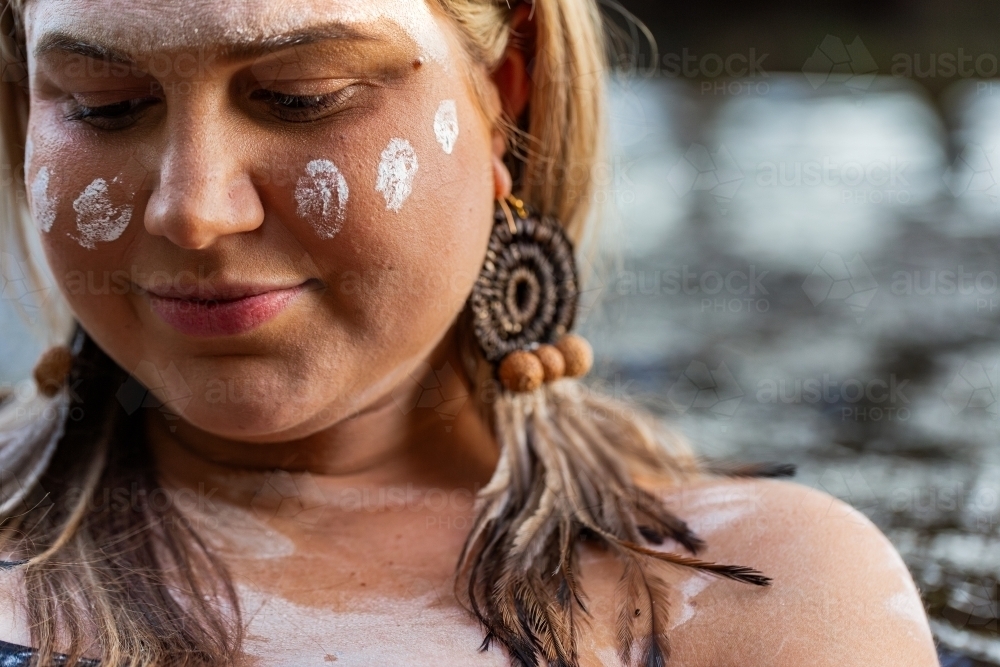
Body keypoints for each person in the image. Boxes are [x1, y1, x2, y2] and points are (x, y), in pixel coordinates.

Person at [0, 0, 939, 665]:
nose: (193, 210)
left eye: (303, 94)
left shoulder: (756, 597)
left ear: (504, 96)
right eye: (102, 104)